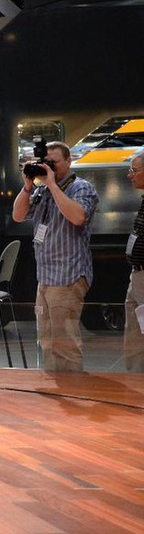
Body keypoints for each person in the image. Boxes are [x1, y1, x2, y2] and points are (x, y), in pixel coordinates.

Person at [12, 141, 99, 372]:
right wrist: (28, 186)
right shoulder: (41, 191)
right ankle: (55, 386)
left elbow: (78, 217)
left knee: (65, 343)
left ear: (69, 161)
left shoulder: (81, 188)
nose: (49, 167)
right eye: (45, 163)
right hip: (45, 277)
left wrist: (52, 184)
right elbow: (18, 216)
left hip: (68, 276)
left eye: (54, 163)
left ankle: (72, 386)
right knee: (47, 341)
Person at [124, 153, 144, 372]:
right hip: (137, 275)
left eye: (134, 170)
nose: (130, 175)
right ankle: (136, 382)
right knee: (134, 332)